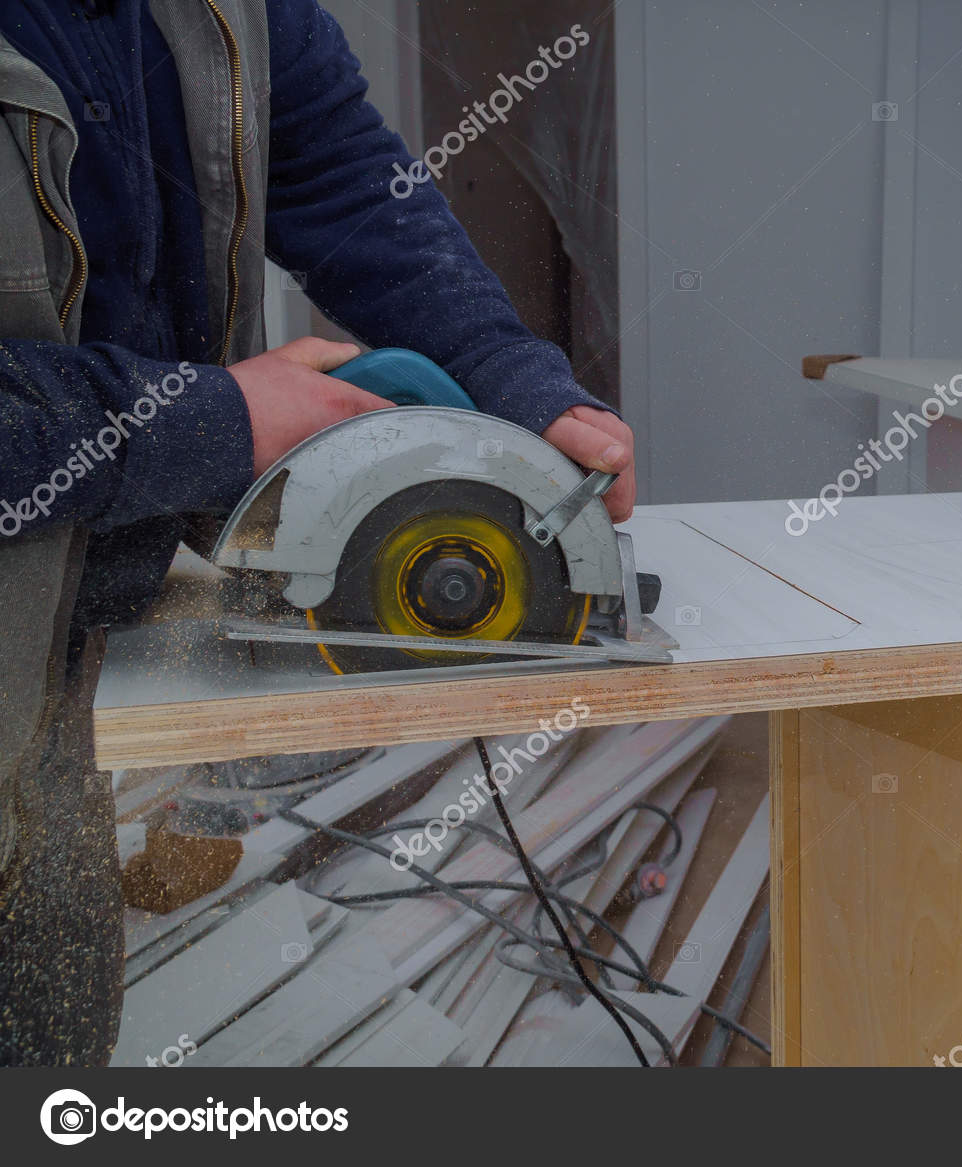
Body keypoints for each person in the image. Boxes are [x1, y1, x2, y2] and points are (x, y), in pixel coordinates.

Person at [0, 0, 634, 1065]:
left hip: (73, 674)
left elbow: (347, 188)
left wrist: (516, 383)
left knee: (50, 1060)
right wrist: (211, 421)